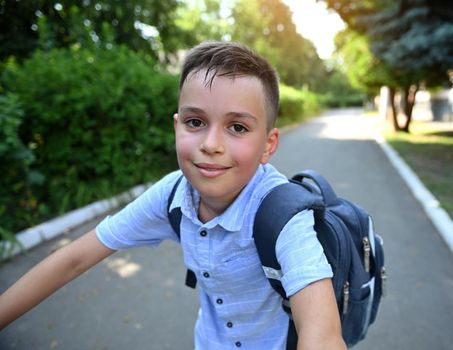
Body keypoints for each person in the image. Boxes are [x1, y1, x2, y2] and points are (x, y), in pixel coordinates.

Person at [0, 41, 346, 349]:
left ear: (268, 145)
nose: (211, 145)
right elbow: (74, 258)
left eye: (237, 127)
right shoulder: (174, 194)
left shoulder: (283, 215)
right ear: (177, 127)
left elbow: (324, 336)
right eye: (196, 122)